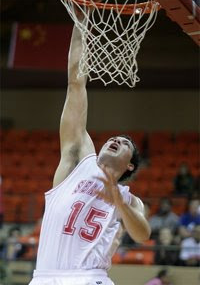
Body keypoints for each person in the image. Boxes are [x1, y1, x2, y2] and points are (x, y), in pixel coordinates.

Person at [28, 24, 150, 285]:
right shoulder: (76, 163)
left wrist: (119, 201)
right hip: (44, 278)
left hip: (89, 278)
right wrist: (81, 23)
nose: (116, 139)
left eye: (125, 143)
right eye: (113, 138)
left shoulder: (130, 200)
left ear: (129, 166)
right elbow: (75, 82)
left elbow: (142, 235)